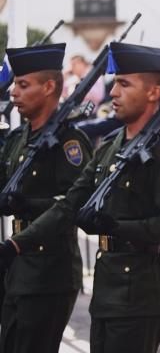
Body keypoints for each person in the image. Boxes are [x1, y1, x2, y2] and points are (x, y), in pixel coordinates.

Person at [0, 42, 160, 353]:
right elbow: (69, 203)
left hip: (142, 292)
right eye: (114, 83)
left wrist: (116, 226)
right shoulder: (111, 146)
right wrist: (15, 245)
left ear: (153, 93)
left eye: (123, 84)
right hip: (107, 289)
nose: (113, 92)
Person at [0, 44, 94, 353]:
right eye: (15, 84)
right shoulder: (18, 139)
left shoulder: (69, 143)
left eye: (23, 85)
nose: (13, 92)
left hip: (49, 270)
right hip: (17, 269)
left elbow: (75, 202)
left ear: (49, 86)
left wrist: (28, 205)